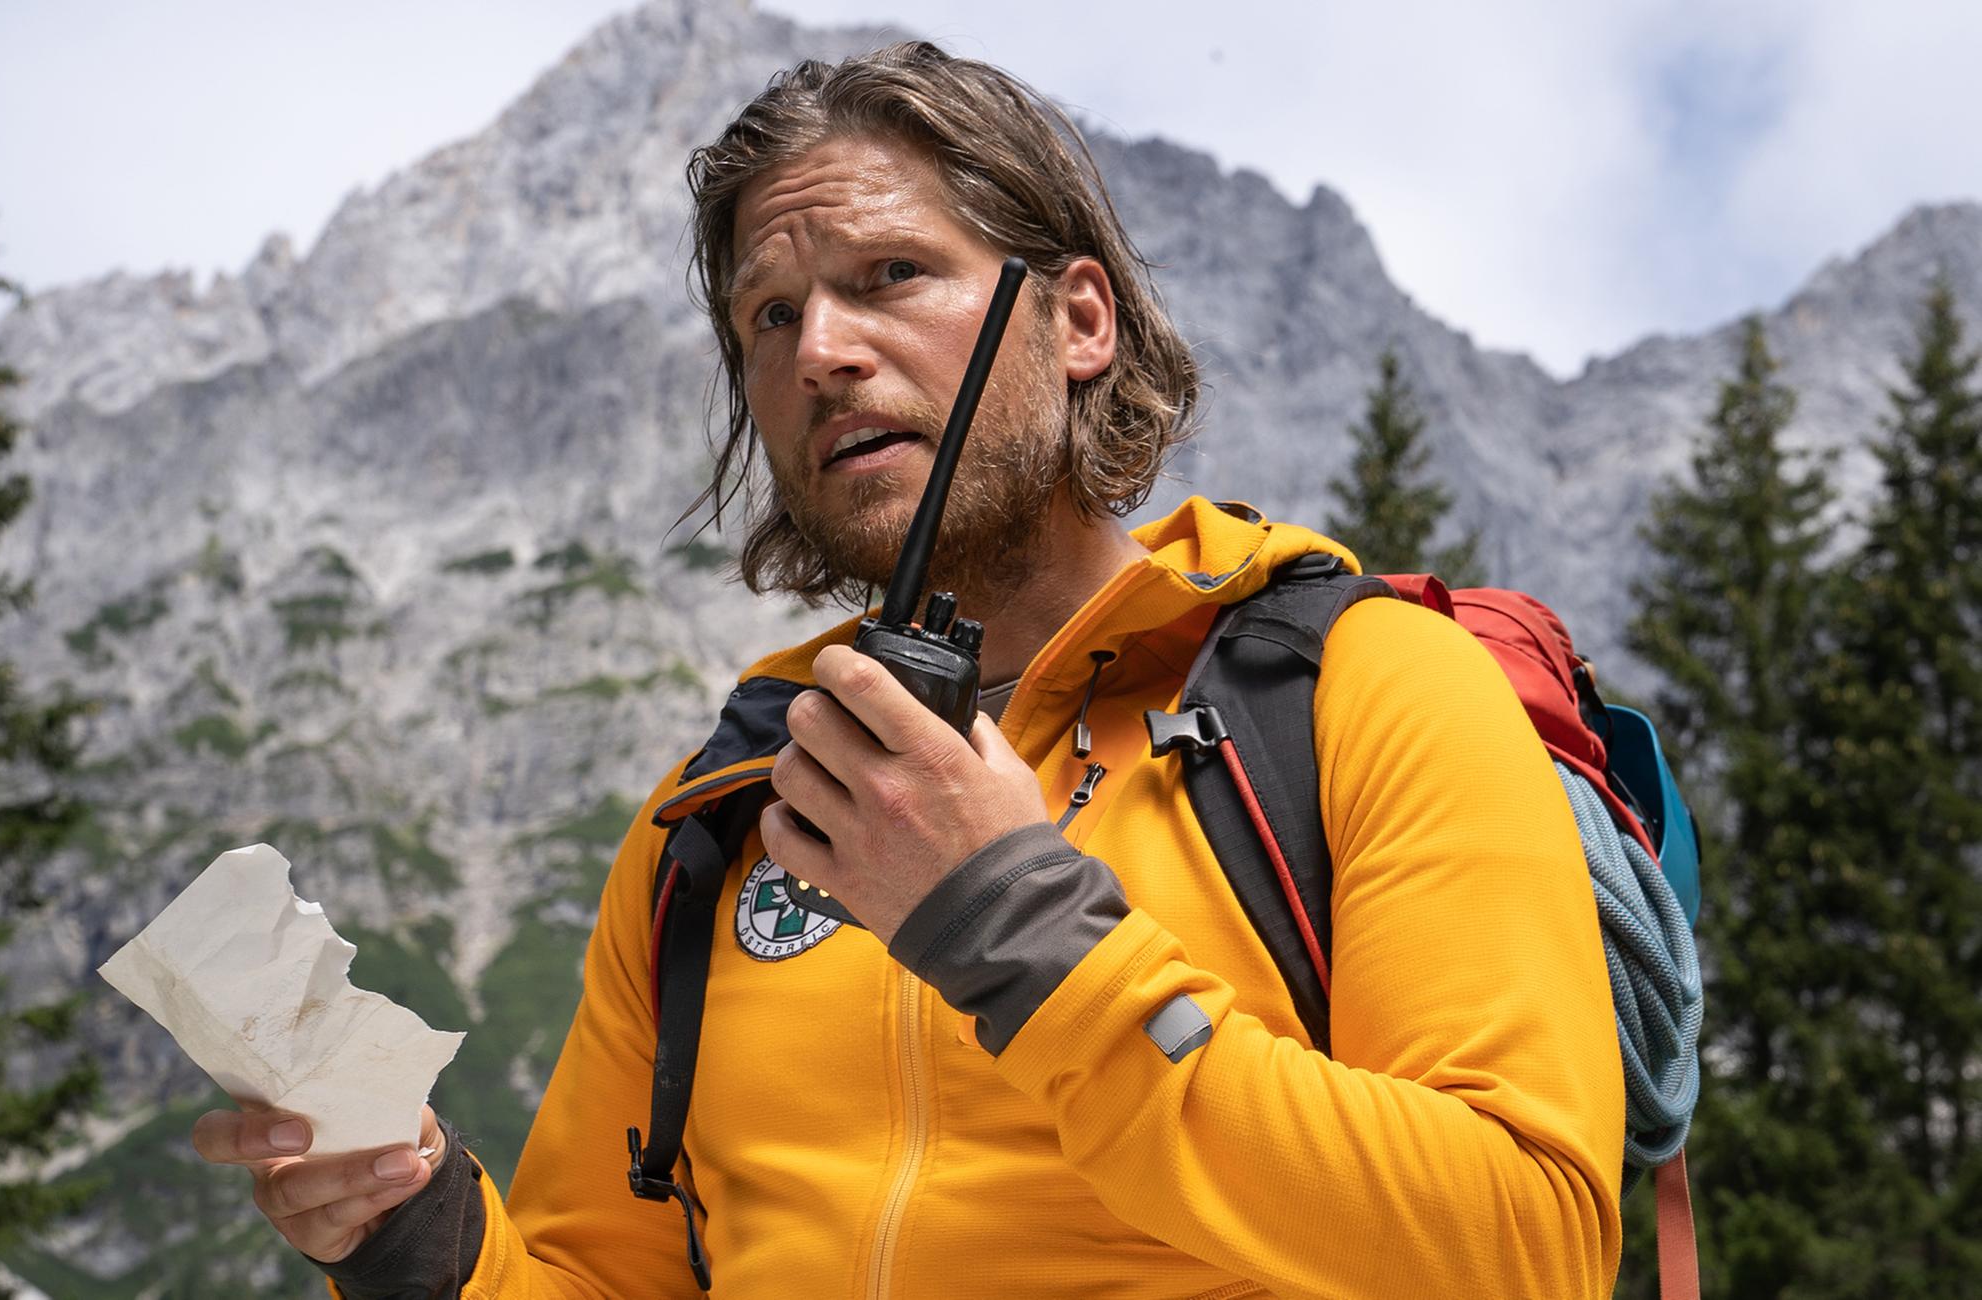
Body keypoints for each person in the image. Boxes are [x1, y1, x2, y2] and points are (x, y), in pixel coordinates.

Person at [191, 42, 1623, 1298]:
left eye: (891, 277)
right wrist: (417, 1240)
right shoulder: (717, 821)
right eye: (770, 317)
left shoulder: (1361, 689)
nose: (823, 351)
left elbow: (1531, 1249)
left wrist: (1023, 930)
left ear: (1079, 321)